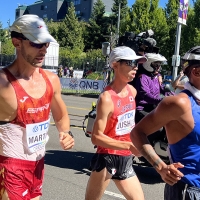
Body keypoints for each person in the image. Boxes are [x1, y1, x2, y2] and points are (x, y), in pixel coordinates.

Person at [0, 14, 75, 200]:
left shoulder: (51, 80)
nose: (43, 50)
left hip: (37, 166)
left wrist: (66, 133)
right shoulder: (3, 83)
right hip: (10, 167)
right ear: (17, 42)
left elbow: (61, 116)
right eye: (36, 44)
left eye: (46, 44)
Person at [130, 46, 200, 200]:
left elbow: (161, 89)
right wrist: (160, 167)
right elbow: (137, 133)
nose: (157, 68)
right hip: (188, 190)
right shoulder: (179, 103)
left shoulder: (157, 78)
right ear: (196, 72)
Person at [85, 46, 147, 200]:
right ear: (115, 65)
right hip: (107, 158)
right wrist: (128, 145)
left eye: (136, 63)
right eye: (130, 62)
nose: (135, 67)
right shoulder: (106, 97)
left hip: (126, 158)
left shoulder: (132, 91)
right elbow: (96, 137)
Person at [135, 53, 174, 124]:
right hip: (143, 109)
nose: (159, 67)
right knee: (158, 128)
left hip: (154, 107)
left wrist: (174, 95)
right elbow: (146, 95)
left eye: (159, 65)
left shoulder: (156, 77)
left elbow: (163, 89)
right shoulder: (143, 78)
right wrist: (161, 100)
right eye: (157, 65)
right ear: (148, 64)